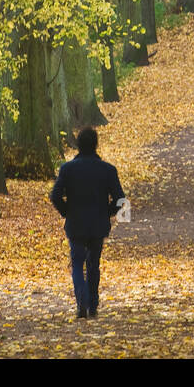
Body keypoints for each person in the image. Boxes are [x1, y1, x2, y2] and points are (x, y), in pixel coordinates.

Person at [49, 127, 125, 319]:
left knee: (77, 264)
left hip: (75, 224)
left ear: (78, 145)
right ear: (95, 145)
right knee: (93, 264)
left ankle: (81, 301)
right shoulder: (107, 170)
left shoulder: (68, 169)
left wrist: (67, 211)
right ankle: (93, 304)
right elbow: (120, 198)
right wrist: (107, 213)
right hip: (97, 224)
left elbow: (55, 195)